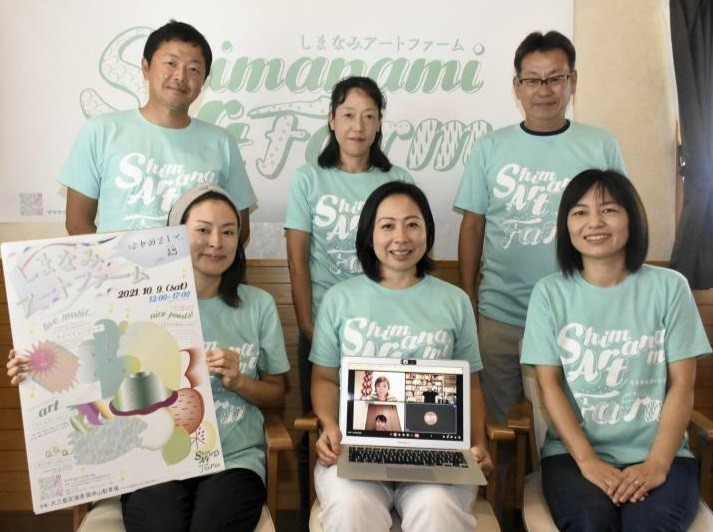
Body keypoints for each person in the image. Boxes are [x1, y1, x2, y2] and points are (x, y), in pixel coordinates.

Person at [8, 184, 289, 531]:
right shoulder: (135, 300)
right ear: (176, 236)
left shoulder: (259, 305)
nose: (216, 242)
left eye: (228, 232)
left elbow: (277, 392)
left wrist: (240, 382)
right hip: (152, 457)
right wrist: (35, 366)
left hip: (234, 461)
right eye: (203, 230)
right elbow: (87, 371)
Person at [454, 30, 626, 429]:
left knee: (569, 427)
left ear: (573, 81)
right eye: (532, 79)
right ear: (517, 87)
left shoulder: (600, 146)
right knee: (496, 427)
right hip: (501, 315)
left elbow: (622, 223)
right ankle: (502, 477)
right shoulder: (490, 147)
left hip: (578, 315)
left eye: (555, 78)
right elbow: (473, 225)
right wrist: (468, 296)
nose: (544, 90)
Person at [521, 169, 711, 531]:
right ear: (565, 226)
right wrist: (588, 461)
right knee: (590, 522)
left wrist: (656, 464)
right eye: (579, 212)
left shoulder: (670, 288)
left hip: (662, 453)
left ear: (632, 218)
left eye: (608, 209)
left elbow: (682, 386)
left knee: (649, 525)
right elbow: (549, 386)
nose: (594, 222)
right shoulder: (549, 293)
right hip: (572, 456)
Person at [310, 181, 493, 531]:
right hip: (355, 448)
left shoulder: (455, 301)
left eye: (412, 224)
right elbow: (324, 378)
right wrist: (330, 424)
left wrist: (479, 443)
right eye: (388, 226)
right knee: (350, 507)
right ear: (369, 233)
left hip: (438, 453)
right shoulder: (338, 299)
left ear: (427, 231)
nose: (401, 237)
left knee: (437, 508)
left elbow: (470, 385)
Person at [284, 75, 413, 513]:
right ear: (331, 120)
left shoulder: (397, 178)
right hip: (325, 326)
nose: (358, 126)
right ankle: (321, 509)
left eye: (369, 116)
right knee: (324, 430)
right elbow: (297, 260)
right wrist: (309, 326)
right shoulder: (309, 179)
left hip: (384, 331)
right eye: (348, 115)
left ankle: (395, 502)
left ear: (380, 124)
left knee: (386, 425)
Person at [58, 20, 256, 240]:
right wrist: (115, 260)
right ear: (146, 67)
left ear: (203, 81)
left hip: (194, 264)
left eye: (193, 69)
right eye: (171, 63)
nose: (180, 76)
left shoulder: (222, 142)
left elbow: (238, 230)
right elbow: (77, 223)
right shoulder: (101, 131)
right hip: (118, 263)